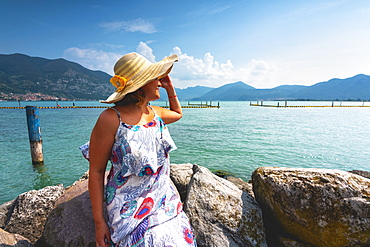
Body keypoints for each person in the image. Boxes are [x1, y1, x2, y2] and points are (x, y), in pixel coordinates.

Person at [80, 52, 196, 247]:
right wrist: (99, 222)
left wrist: (170, 88)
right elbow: (97, 170)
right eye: (156, 78)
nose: (159, 82)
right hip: (128, 208)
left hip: (163, 200)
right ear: (141, 85)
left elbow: (177, 113)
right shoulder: (110, 119)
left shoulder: (154, 113)